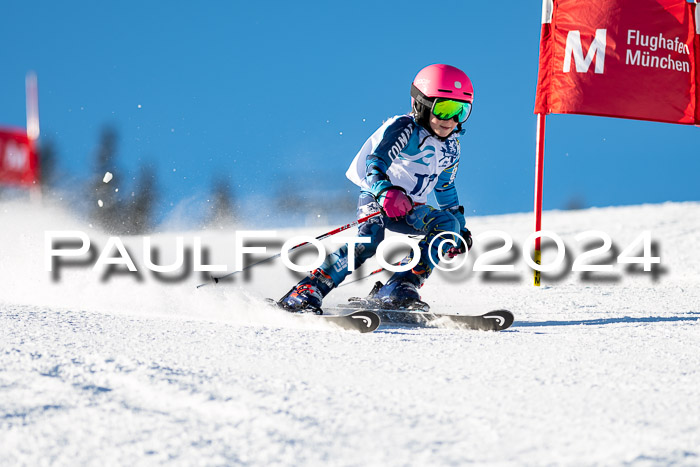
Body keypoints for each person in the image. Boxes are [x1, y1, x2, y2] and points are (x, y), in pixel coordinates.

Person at [279, 64, 474, 313]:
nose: (452, 120)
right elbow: (375, 163)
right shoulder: (405, 128)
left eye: (462, 110)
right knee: (368, 243)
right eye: (445, 109)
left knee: (447, 225)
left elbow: (445, 186)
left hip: (412, 208)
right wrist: (385, 192)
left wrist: (461, 227)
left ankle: (400, 287)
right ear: (422, 104)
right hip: (378, 198)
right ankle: (308, 290)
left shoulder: (451, 147)